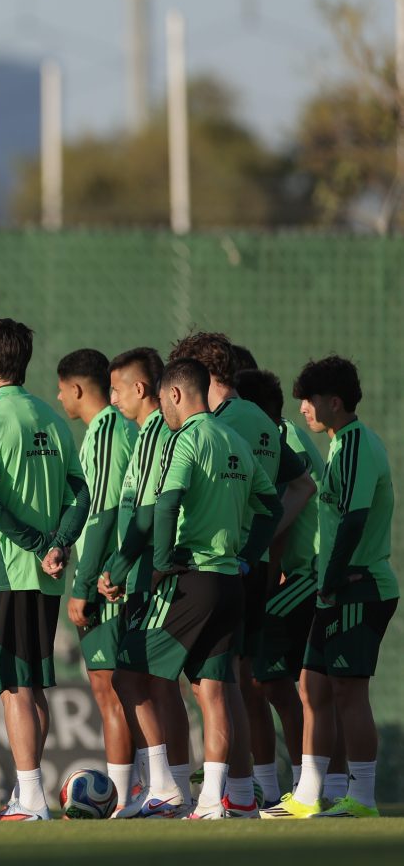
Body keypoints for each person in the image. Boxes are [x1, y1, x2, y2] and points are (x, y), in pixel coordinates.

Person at [104, 357, 282, 820]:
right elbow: (271, 505)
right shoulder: (235, 442)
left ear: (177, 395)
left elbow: (165, 507)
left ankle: (166, 788)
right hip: (229, 581)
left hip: (190, 580)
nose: (162, 408)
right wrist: (247, 554)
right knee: (215, 690)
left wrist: (161, 563)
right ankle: (223, 800)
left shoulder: (185, 440)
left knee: (131, 672)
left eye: (163, 399)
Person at [168, 332, 314, 815]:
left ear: (200, 378)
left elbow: (290, 490)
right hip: (247, 564)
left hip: (221, 564)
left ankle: (234, 789)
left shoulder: (217, 426)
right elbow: (299, 484)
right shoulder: (258, 418)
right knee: (243, 681)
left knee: (221, 681)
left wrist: (251, 546)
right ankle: (256, 789)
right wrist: (261, 546)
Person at [0, 318, 90, 822]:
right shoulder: (49, 416)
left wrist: (40, 544)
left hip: (3, 568)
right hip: (46, 574)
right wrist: (58, 545)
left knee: (14, 687)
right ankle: (28, 793)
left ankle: (32, 799)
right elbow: (79, 493)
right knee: (32, 684)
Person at [264, 356, 398, 819]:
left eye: (310, 399)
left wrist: (335, 578)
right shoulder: (341, 445)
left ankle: (362, 800)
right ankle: (307, 797)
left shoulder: (358, 444)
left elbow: (355, 520)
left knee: (348, 692)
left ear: (334, 402)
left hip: (360, 587)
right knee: (312, 688)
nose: (303, 408)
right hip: (334, 588)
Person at [234, 368, 343, 807]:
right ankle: (282, 785)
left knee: (282, 683)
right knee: (271, 683)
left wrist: (266, 576)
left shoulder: (280, 438)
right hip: (294, 573)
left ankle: (308, 785)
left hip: (305, 573)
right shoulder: (280, 435)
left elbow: (279, 518)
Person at [98, 348, 193, 809]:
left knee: (133, 678)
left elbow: (153, 511)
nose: (111, 399)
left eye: (115, 389)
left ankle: (165, 785)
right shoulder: (145, 434)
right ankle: (174, 786)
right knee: (154, 681)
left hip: (153, 575)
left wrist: (122, 567)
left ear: (140, 390)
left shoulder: (158, 432)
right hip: (145, 572)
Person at [56, 349, 137, 811]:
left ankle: (125, 798)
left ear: (78, 389)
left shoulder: (106, 429)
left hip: (106, 583)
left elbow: (104, 509)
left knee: (113, 692)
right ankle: (141, 790)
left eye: (62, 388)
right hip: (111, 574)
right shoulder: (109, 431)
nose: (59, 397)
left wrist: (84, 584)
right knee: (121, 690)